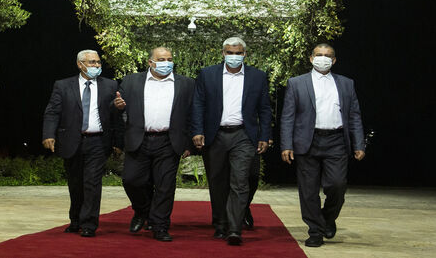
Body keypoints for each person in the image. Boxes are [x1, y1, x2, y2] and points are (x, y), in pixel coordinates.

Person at [280, 43, 365, 248]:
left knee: (337, 185)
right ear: (311, 58)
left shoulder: (346, 83)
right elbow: (288, 116)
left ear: (334, 60)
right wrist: (286, 144)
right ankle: (315, 231)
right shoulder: (296, 83)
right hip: (307, 141)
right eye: (319, 55)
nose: (323, 58)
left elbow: (354, 115)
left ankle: (327, 218)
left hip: (336, 141)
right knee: (308, 191)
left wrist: (359, 143)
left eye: (328, 56)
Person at [191, 36, 272, 246]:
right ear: (223, 53)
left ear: (245, 54)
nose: (234, 57)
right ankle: (220, 223)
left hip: (244, 135)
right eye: (230, 53)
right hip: (215, 134)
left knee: (240, 180)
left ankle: (235, 229)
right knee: (217, 182)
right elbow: (198, 104)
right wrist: (197, 131)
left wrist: (265, 135)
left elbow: (264, 109)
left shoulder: (257, 76)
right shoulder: (207, 74)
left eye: (238, 53)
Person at [113, 46, 195, 242]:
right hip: (139, 140)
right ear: (150, 62)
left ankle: (160, 226)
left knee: (165, 186)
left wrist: (189, 144)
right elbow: (115, 107)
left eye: (169, 59)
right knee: (131, 180)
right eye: (161, 59)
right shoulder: (131, 81)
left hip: (169, 141)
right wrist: (117, 106)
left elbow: (193, 114)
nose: (166, 63)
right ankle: (142, 211)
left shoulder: (186, 84)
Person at [42, 49, 121, 237]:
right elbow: (52, 112)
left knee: (92, 183)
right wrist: (48, 135)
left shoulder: (110, 85)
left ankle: (89, 224)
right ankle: (75, 220)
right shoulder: (62, 86)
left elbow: (115, 116)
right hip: (72, 140)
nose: (96, 66)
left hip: (98, 141)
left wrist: (118, 141)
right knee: (75, 183)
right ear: (80, 64)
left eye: (98, 62)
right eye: (92, 62)